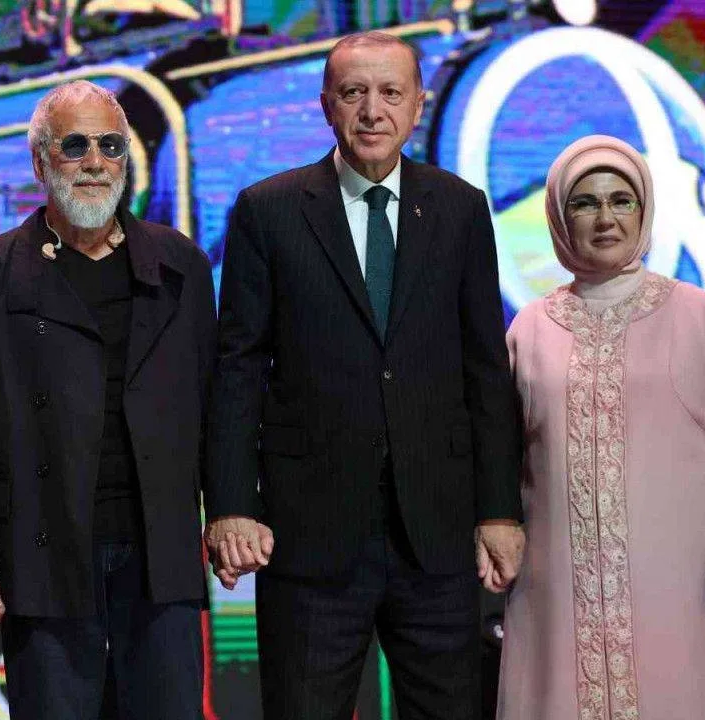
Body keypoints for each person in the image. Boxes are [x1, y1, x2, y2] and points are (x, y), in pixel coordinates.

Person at [204, 31, 524, 719]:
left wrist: (499, 509)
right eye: (354, 93)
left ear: (418, 106)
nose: (372, 111)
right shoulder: (268, 210)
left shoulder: (461, 208)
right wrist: (231, 504)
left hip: (436, 532)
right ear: (327, 105)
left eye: (390, 93)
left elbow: (485, 369)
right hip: (308, 532)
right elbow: (238, 370)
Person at [0, 80, 215, 719]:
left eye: (110, 146)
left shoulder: (180, 266)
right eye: (74, 146)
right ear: (41, 163)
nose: (95, 162)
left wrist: (231, 510)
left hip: (160, 554)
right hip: (45, 556)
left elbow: (217, 405)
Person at [497, 134, 705, 720]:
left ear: (644, 210)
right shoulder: (530, 328)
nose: (605, 219)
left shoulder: (693, 313)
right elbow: (502, 454)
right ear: (559, 218)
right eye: (584, 203)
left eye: (621, 200)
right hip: (561, 589)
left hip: (685, 586)